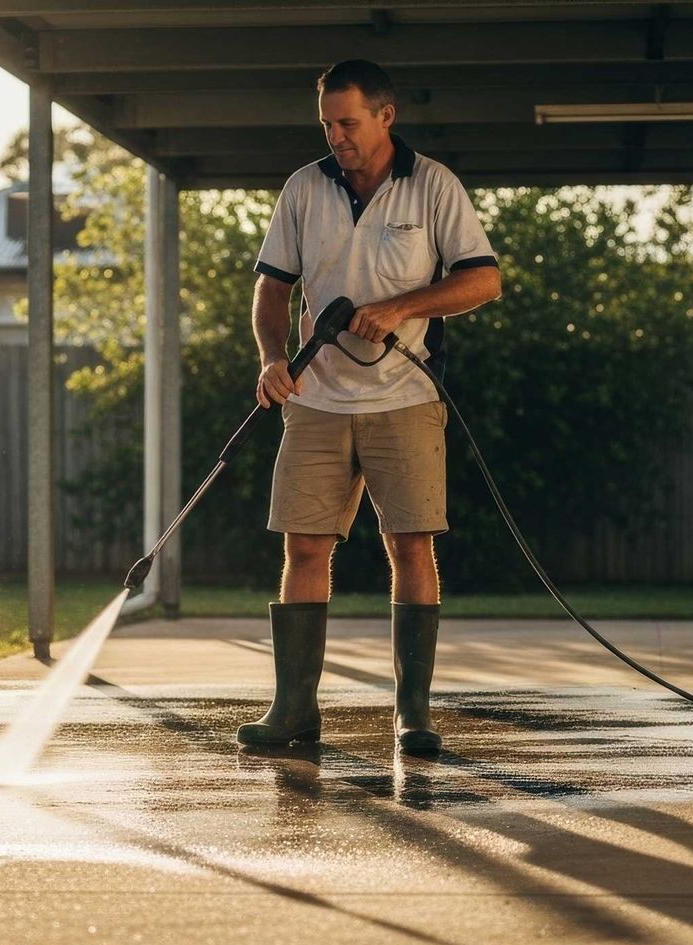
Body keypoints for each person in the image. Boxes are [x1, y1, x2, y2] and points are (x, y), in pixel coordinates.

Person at [238, 58, 501, 753]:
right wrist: (271, 359)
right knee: (303, 545)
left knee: (409, 543)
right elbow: (271, 290)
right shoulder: (304, 188)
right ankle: (293, 710)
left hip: (406, 397)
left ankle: (412, 714)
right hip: (316, 398)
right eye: (327, 122)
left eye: (348, 122)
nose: (336, 136)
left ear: (387, 116)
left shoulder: (432, 186)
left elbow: (484, 279)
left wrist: (401, 307)